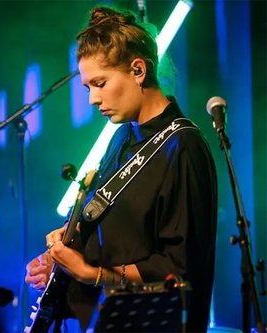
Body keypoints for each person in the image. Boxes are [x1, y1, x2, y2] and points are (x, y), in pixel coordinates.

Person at [25, 6, 217, 332]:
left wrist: (91, 274)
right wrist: (68, 255)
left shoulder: (183, 147)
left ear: (138, 70)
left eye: (99, 83)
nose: (92, 99)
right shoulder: (121, 138)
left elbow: (179, 267)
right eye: (88, 88)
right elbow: (118, 242)